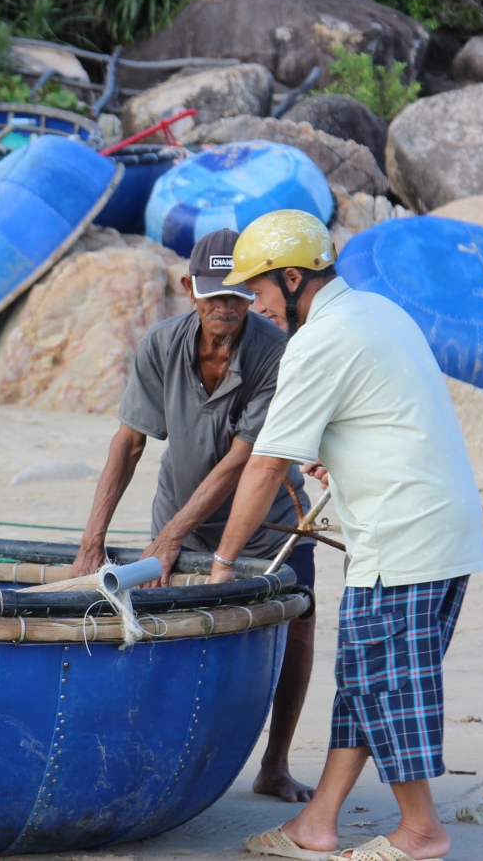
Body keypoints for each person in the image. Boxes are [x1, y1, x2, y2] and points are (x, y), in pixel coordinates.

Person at [208, 210, 483, 861]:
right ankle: (318, 823)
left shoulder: (320, 338)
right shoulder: (377, 312)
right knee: (363, 678)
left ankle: (420, 830)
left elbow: (266, 464)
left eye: (261, 289)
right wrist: (341, 456)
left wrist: (224, 561)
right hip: (440, 527)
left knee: (387, 680)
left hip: (402, 536)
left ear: (294, 276)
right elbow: (389, 418)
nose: (256, 306)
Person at [74, 228, 321, 803]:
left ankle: (275, 765)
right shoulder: (159, 347)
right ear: (189, 289)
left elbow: (244, 461)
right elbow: (128, 444)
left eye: (236, 294)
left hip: (269, 522)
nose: (225, 307)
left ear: (252, 293)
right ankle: (159, 759)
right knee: (165, 629)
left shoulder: (275, 353)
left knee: (300, 624)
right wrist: (94, 542)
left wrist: (169, 538)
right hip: (176, 515)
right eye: (213, 294)